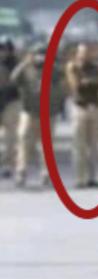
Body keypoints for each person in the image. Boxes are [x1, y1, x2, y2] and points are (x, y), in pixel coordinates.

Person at [10, 43, 62, 188]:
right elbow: (13, 79)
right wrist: (25, 63)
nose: (41, 58)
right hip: (29, 111)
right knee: (24, 140)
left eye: (43, 55)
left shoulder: (53, 69)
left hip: (48, 113)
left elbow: (60, 76)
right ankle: (22, 170)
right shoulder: (26, 69)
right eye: (38, 55)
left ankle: (46, 173)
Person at [65, 43, 98, 188]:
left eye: (87, 53)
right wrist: (90, 83)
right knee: (79, 145)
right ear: (77, 54)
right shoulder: (73, 67)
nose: (85, 56)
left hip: (94, 107)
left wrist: (89, 82)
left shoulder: (96, 68)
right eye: (82, 53)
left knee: (94, 145)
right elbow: (76, 85)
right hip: (80, 107)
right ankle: (80, 177)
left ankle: (93, 176)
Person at [0, 40, 21, 178]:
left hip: (11, 102)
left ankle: (8, 165)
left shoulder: (15, 65)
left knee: (10, 136)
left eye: (4, 49)